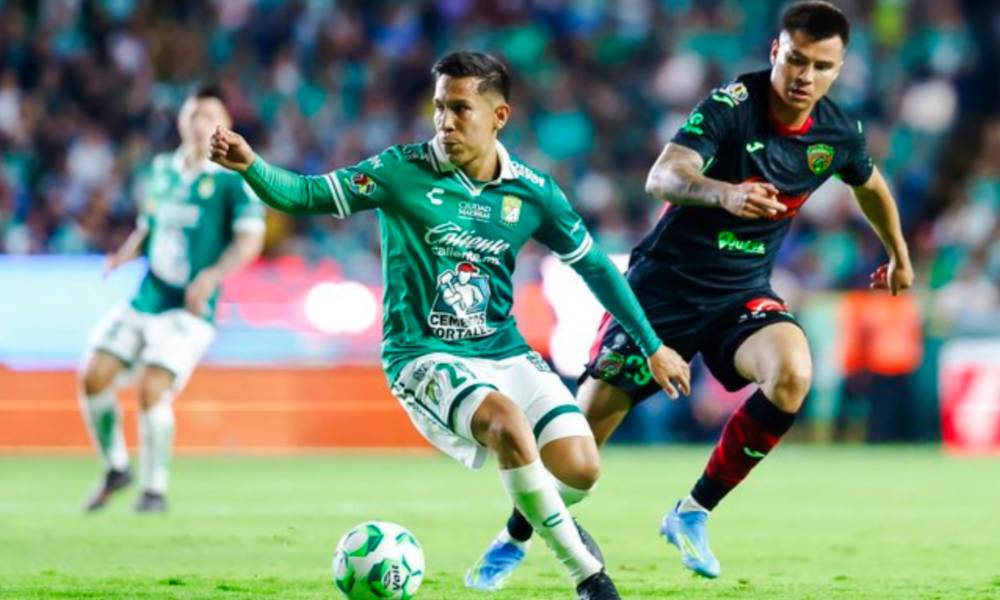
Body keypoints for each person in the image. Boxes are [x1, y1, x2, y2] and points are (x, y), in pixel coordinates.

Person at [208, 51, 689, 600]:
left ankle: (520, 531)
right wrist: (250, 164)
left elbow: (596, 267)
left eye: (460, 108)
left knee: (581, 468)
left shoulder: (532, 191)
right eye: (439, 108)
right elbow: (305, 194)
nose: (445, 122)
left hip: (503, 350)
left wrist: (651, 345)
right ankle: (589, 576)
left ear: (498, 116)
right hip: (423, 354)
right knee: (507, 424)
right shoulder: (401, 170)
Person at [471, 0, 914, 583]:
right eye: (798, 60)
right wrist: (724, 194)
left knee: (792, 374)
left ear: (839, 67)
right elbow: (663, 177)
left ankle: (692, 511)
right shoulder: (733, 106)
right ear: (776, 51)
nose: (806, 77)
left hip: (740, 294)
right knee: (578, 456)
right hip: (663, 291)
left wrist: (899, 255)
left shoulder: (836, 130)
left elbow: (870, 184)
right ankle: (515, 536)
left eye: (823, 67)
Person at [79, 86, 266, 513]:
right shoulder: (162, 169)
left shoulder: (233, 180)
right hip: (148, 295)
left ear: (224, 126)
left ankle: (154, 490)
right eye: (193, 115)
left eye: (209, 116)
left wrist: (212, 275)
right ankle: (115, 467)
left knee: (152, 388)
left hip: (191, 307)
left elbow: (249, 241)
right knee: (93, 375)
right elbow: (149, 227)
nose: (200, 124)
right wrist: (123, 254)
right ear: (182, 121)